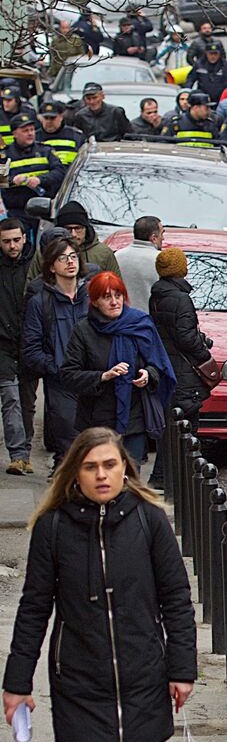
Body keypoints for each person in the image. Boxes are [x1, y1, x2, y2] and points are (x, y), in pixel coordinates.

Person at [2, 426, 196, 742]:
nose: (102, 475)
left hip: (144, 681)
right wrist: (16, 682)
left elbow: (176, 599)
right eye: (90, 467)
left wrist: (182, 669)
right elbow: (34, 609)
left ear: (125, 466)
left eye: (109, 464)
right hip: (80, 686)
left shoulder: (149, 520)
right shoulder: (53, 527)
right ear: (76, 472)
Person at [60, 272, 175, 463]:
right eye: (107, 297)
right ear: (95, 302)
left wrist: (147, 374)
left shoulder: (140, 324)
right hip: (97, 420)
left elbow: (159, 364)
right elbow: (68, 374)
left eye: (118, 295)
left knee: (131, 476)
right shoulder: (83, 330)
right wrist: (103, 376)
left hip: (134, 416)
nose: (114, 302)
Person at [147, 247, 213, 488]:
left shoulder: (158, 295)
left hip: (169, 366)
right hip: (184, 371)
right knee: (187, 426)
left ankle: (162, 476)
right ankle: (173, 479)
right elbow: (185, 336)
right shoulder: (180, 298)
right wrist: (203, 352)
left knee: (173, 425)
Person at [23, 237, 88, 468]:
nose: (70, 263)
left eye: (73, 257)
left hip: (94, 381)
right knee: (69, 445)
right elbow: (30, 350)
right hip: (62, 383)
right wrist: (56, 367)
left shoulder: (91, 298)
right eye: (62, 258)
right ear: (52, 266)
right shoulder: (40, 303)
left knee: (94, 445)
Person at [0, 218, 32, 474]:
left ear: (24, 238)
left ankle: (26, 452)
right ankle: (18, 453)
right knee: (11, 396)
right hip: (3, 343)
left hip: (29, 342)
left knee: (26, 399)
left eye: (16, 240)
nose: (12, 246)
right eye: (6, 241)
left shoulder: (34, 266)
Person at [3, 112, 66, 238]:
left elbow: (60, 172)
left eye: (32, 129)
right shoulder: (5, 155)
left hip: (45, 212)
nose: (30, 133)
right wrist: (12, 181)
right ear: (14, 133)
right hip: (18, 211)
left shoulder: (45, 150)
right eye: (25, 130)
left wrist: (40, 180)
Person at [48, 203, 120, 280]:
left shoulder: (103, 253)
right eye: (68, 229)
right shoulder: (47, 251)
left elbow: (116, 286)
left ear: (86, 229)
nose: (73, 234)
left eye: (78, 228)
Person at [112, 217, 163, 314]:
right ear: (153, 238)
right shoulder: (161, 260)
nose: (163, 238)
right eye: (162, 233)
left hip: (121, 319)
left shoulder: (117, 256)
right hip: (150, 321)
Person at [35, 100, 84, 167]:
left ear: (61, 117)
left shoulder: (76, 136)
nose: (49, 121)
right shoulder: (34, 138)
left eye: (52, 118)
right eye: (46, 118)